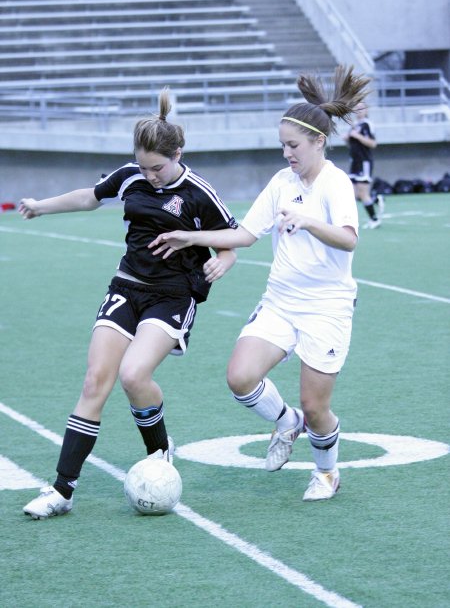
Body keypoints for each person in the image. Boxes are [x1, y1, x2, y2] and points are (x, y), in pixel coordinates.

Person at [150, 65, 370, 501]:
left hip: (327, 306)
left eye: (293, 145)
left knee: (317, 407)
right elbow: (246, 234)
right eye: (282, 145)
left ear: (318, 142)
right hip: (281, 302)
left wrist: (308, 221)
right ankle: (285, 421)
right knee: (240, 376)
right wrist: (191, 236)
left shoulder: (335, 184)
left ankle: (326, 472)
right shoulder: (281, 183)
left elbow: (348, 240)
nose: (287, 153)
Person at [19, 88, 237, 519]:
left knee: (134, 375)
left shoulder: (198, 192)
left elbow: (232, 235)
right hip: (126, 285)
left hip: (173, 296)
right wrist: (40, 207)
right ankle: (62, 492)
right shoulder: (132, 176)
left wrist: (224, 261)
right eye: (143, 167)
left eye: (157, 168)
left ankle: (159, 450)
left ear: (178, 154)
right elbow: (90, 197)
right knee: (94, 381)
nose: (150, 176)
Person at [344, 101, 384, 229]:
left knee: (362, 193)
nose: (359, 111)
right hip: (354, 162)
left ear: (366, 110)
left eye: (361, 108)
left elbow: (373, 143)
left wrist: (358, 136)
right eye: (356, 109)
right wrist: (347, 139)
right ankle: (376, 199)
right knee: (353, 194)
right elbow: (353, 145)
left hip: (364, 162)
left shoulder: (367, 125)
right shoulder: (355, 125)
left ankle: (374, 219)